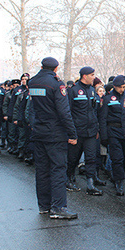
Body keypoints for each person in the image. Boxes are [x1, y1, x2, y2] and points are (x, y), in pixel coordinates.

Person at [28, 57, 78, 219]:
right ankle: (58, 207)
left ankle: (44, 205)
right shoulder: (56, 84)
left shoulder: (33, 83)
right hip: (55, 134)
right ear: (56, 69)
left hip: (39, 131)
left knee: (42, 170)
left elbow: (32, 108)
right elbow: (64, 112)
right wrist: (72, 134)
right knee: (58, 169)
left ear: (42, 66)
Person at [67, 66, 104, 196]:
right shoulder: (73, 91)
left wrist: (97, 127)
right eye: (92, 75)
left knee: (91, 158)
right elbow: (68, 112)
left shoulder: (92, 91)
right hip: (77, 131)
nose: (94, 77)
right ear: (85, 76)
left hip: (91, 131)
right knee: (73, 158)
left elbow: (94, 111)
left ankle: (90, 184)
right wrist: (70, 131)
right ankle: (69, 178)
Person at [99, 75, 125, 196]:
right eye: (120, 87)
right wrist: (104, 136)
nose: (122, 90)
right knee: (117, 158)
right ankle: (118, 182)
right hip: (113, 130)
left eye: (124, 87)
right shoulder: (107, 98)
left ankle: (119, 177)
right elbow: (103, 118)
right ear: (114, 86)